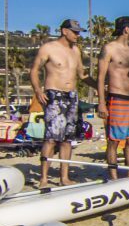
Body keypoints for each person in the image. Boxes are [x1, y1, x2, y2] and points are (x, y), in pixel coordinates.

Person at [30, 18, 88, 187]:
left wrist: (100, 87)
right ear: (64, 31)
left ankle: (64, 177)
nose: (78, 35)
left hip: (72, 96)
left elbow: (82, 74)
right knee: (51, 139)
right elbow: (34, 70)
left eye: (79, 32)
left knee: (68, 139)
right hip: (54, 95)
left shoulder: (76, 51)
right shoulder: (49, 48)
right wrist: (38, 90)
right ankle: (44, 178)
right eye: (75, 32)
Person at [97, 16, 129, 179]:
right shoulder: (109, 48)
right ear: (127, 29)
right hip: (117, 97)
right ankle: (113, 176)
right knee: (113, 141)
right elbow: (100, 77)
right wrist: (101, 103)